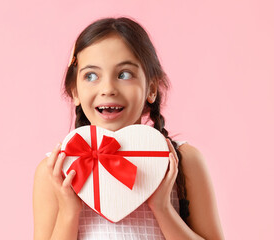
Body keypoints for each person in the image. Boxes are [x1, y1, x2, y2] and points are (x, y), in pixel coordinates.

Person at [32, 17, 224, 239]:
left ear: (152, 88)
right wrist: (69, 211)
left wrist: (162, 209)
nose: (108, 88)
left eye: (124, 74)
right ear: (75, 91)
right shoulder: (54, 172)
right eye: (91, 76)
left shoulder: (184, 161)